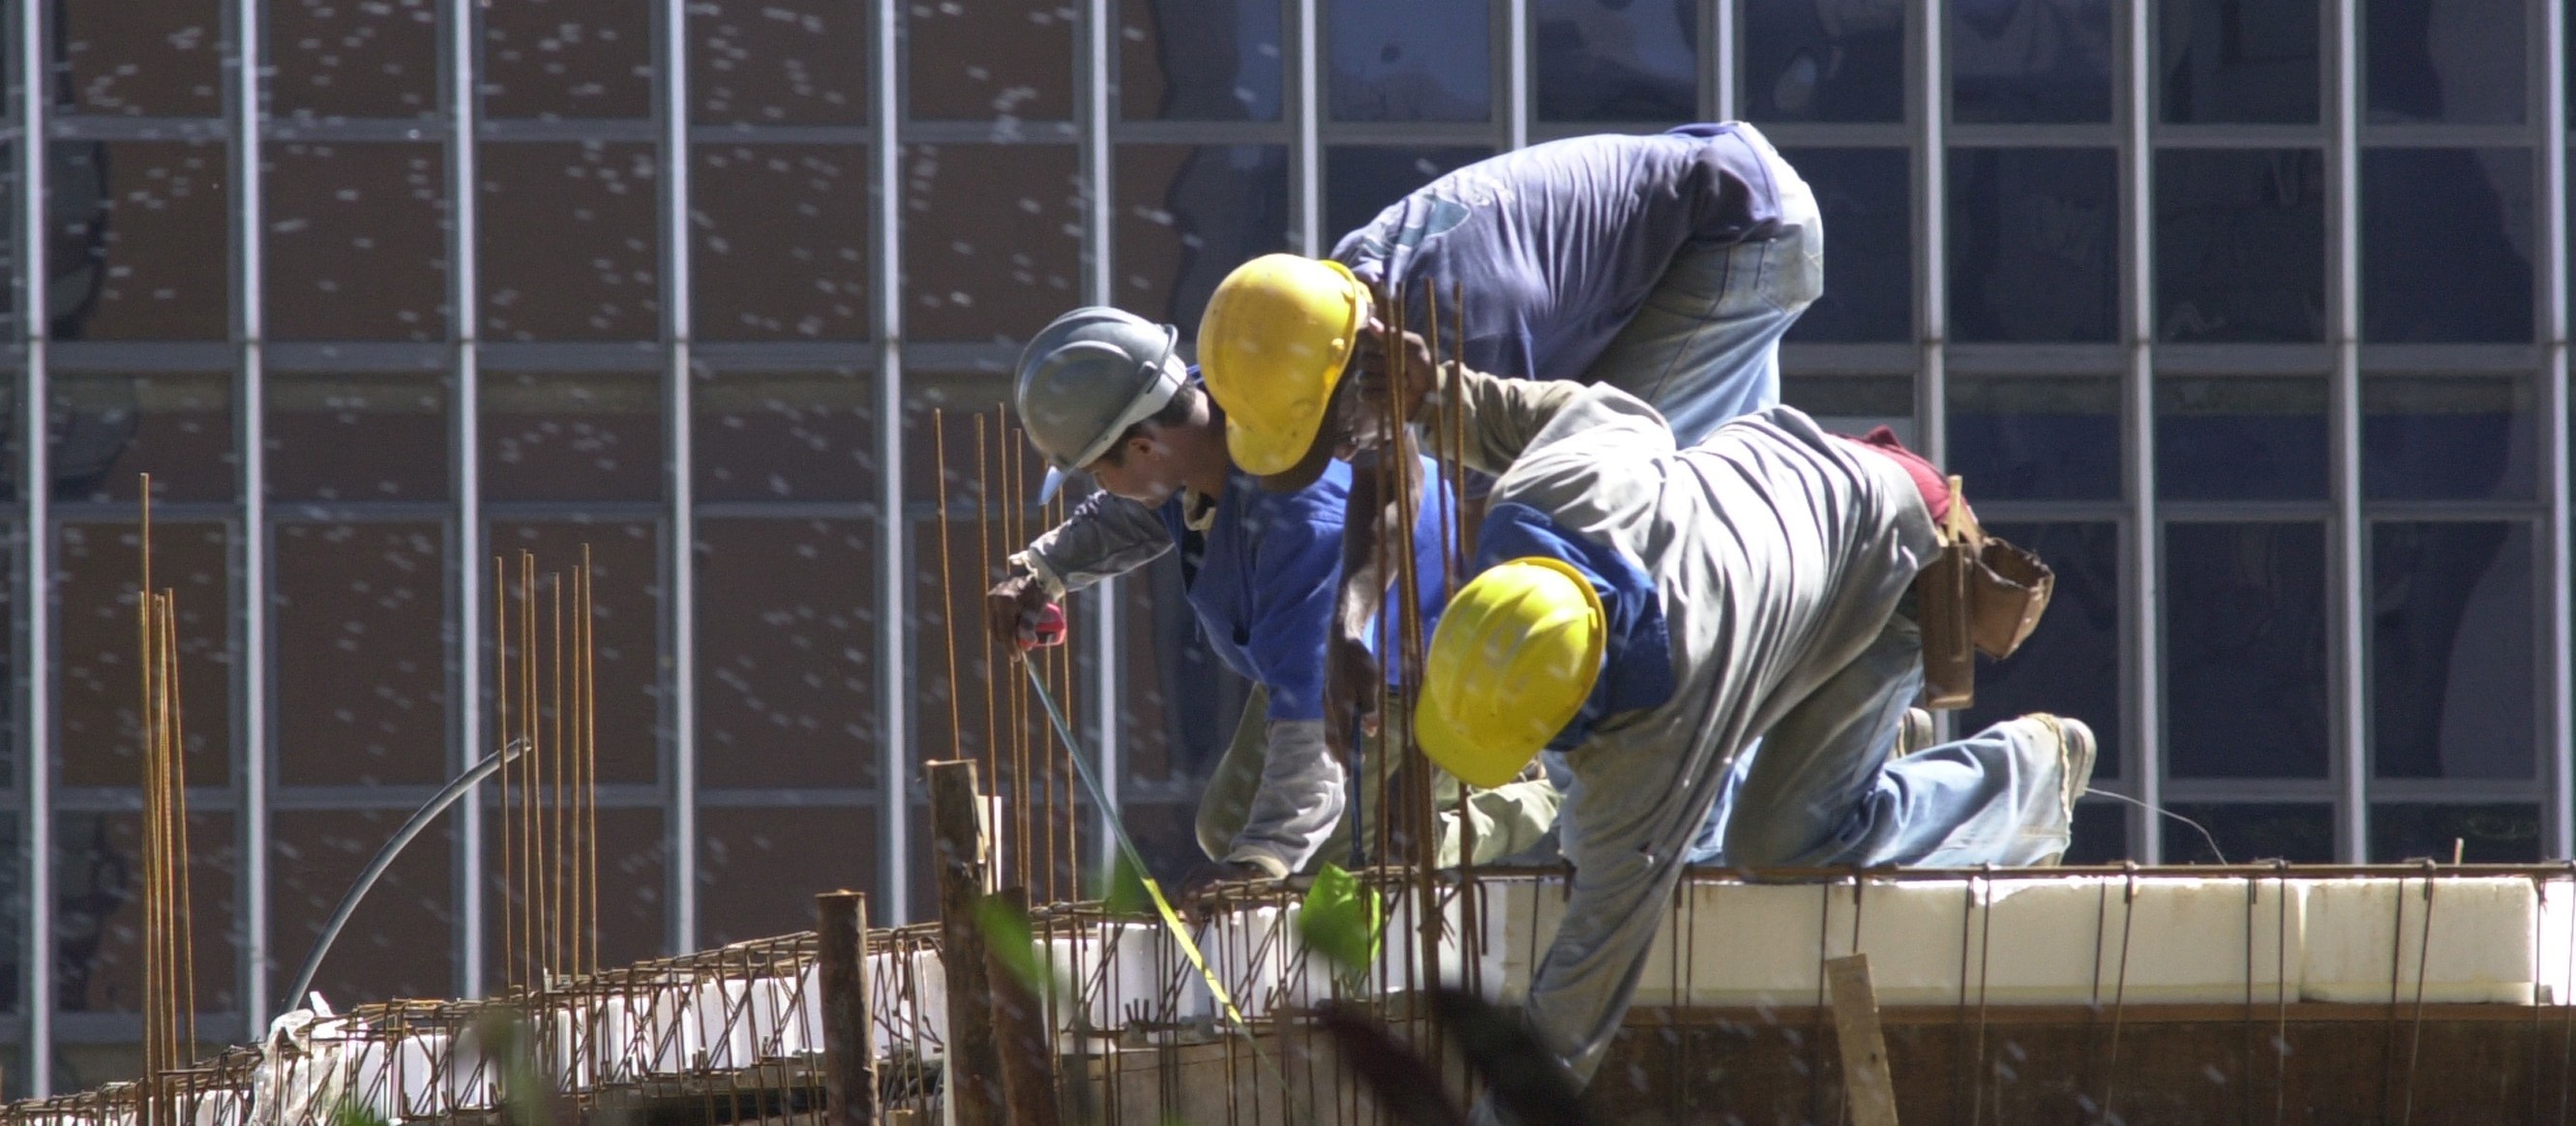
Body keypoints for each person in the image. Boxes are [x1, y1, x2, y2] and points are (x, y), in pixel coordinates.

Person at [1379, 354, 2096, 1106]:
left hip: (1900, 554)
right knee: (1697, 830)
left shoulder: (1667, 727)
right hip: (1807, 497)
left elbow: (1585, 980)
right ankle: (1858, 755)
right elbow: (1593, 412)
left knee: (1777, 848)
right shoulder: (1548, 498)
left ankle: (2031, 777)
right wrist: (1440, 395)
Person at [1196, 123, 1826, 809]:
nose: (1342, 454)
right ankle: (1797, 721)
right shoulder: (1345, 311)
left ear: (1359, 362)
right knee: (1734, 515)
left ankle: (1702, 795)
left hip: (1736, 229)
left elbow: (1508, 547)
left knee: (1629, 520)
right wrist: (1349, 627)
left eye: (1336, 434)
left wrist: (1461, 730)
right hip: (1705, 220)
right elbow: (1387, 481)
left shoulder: (1466, 328)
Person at [983, 307, 1561, 896]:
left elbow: (1310, 723)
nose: (1101, 488)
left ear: (1143, 447)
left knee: (1346, 854)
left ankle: (1522, 792)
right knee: (1224, 827)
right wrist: (1043, 570)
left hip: (1428, 668)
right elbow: (1138, 509)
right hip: (1316, 656)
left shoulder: (1298, 528)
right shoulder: (1209, 417)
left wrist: (1257, 867)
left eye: (1096, 472)